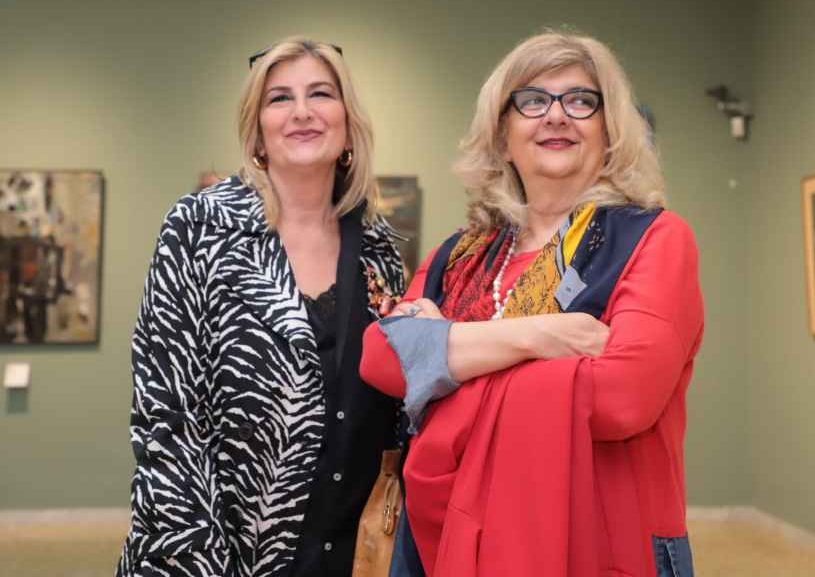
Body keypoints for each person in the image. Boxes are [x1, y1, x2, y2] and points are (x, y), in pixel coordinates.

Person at [360, 30, 704, 577]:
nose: (557, 116)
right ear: (502, 136)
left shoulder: (654, 238)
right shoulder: (463, 253)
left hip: (600, 541)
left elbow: (622, 397)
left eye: (581, 101)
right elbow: (380, 357)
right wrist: (539, 336)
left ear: (610, 131)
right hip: (448, 537)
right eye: (533, 101)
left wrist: (442, 358)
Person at [116, 37, 405, 577]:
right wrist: (201, 559)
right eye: (279, 98)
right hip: (217, 551)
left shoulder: (378, 246)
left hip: (348, 549)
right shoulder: (200, 227)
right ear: (257, 131)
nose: (302, 111)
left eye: (321, 94)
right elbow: (167, 415)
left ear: (347, 125)